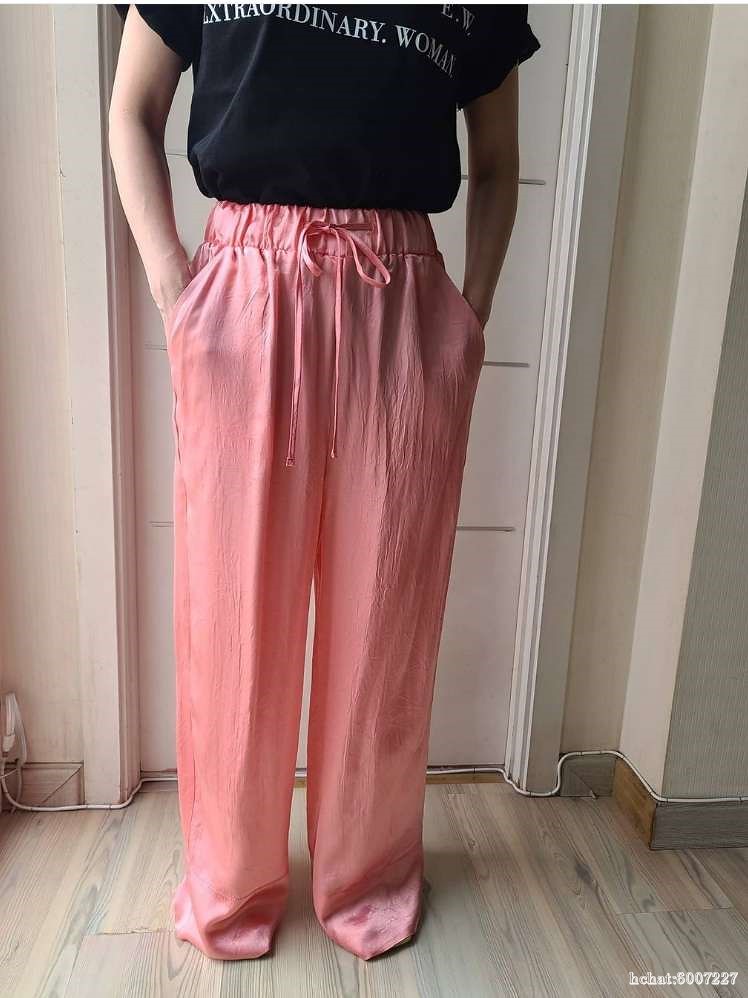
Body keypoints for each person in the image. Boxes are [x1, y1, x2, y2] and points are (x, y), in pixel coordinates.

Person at [109, 2, 540, 963]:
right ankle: (230, 880)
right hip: (243, 294)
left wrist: (469, 314)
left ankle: (370, 876)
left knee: (386, 615)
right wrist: (175, 288)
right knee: (234, 615)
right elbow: (131, 109)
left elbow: (498, 160)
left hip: (403, 296)